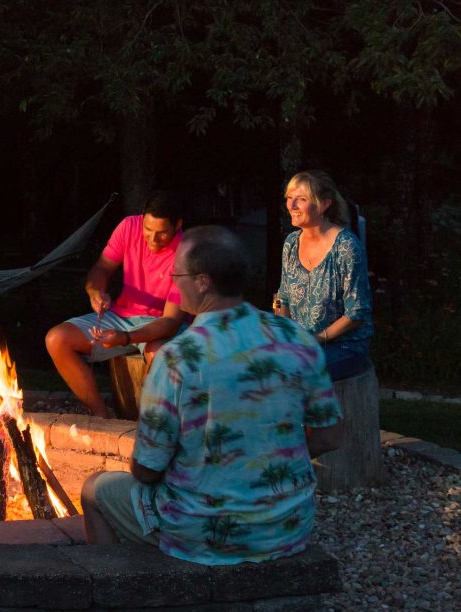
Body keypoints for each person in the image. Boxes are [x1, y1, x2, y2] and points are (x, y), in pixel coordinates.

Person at [80, 226, 343, 565]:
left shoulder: (178, 357)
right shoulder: (295, 338)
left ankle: (117, 589)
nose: (173, 282)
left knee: (95, 489)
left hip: (204, 531)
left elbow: (146, 469)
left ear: (202, 282)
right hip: (287, 526)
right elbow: (331, 434)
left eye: (177, 273)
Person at [45, 192, 187, 418]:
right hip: (122, 315)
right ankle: (102, 417)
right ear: (142, 219)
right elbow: (101, 269)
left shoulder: (187, 253)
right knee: (56, 339)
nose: (152, 239)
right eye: (148, 231)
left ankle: (155, 430)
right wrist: (96, 292)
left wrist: (125, 338)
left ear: (178, 225)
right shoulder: (129, 227)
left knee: (159, 355)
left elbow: (170, 322)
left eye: (161, 234)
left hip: (160, 324)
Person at [274, 170, 373, 381]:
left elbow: (356, 313)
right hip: (303, 344)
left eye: (300, 199)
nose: (291, 206)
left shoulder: (346, 247)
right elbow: (283, 298)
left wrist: (315, 340)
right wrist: (284, 334)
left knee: (293, 372)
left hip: (343, 346)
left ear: (324, 204)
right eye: (289, 198)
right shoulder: (291, 243)